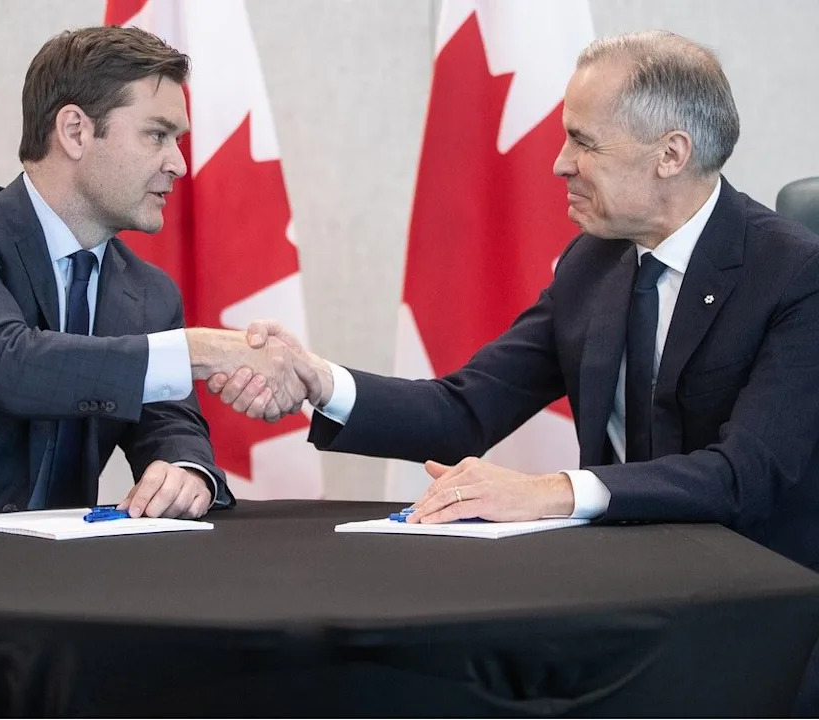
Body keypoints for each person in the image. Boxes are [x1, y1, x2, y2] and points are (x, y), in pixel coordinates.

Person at [213, 29, 819, 572]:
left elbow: (746, 475)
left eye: (584, 143)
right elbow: (465, 410)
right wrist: (319, 381)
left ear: (670, 154)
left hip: (757, 601)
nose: (559, 165)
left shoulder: (795, 274)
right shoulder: (592, 263)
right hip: (616, 583)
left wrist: (552, 490)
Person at [0, 26, 316, 520]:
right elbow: (7, 364)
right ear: (75, 131)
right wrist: (203, 350)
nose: (179, 164)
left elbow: (169, 422)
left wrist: (184, 469)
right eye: (157, 135)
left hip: (58, 575)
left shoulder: (149, 293)